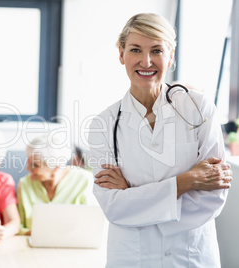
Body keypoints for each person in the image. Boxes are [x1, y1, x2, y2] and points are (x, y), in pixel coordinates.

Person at [88, 13, 232, 267]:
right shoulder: (103, 124)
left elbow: (213, 198)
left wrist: (134, 197)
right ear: (121, 54)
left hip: (191, 255)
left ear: (171, 55)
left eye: (156, 50)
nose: (146, 61)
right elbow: (113, 208)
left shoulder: (198, 110)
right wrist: (188, 181)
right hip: (132, 257)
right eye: (135, 50)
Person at [17, 134, 96, 235]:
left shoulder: (84, 180)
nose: (28, 168)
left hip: (73, 244)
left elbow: (91, 223)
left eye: (35, 165)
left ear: (57, 167)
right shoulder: (25, 184)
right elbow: (19, 226)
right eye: (28, 162)